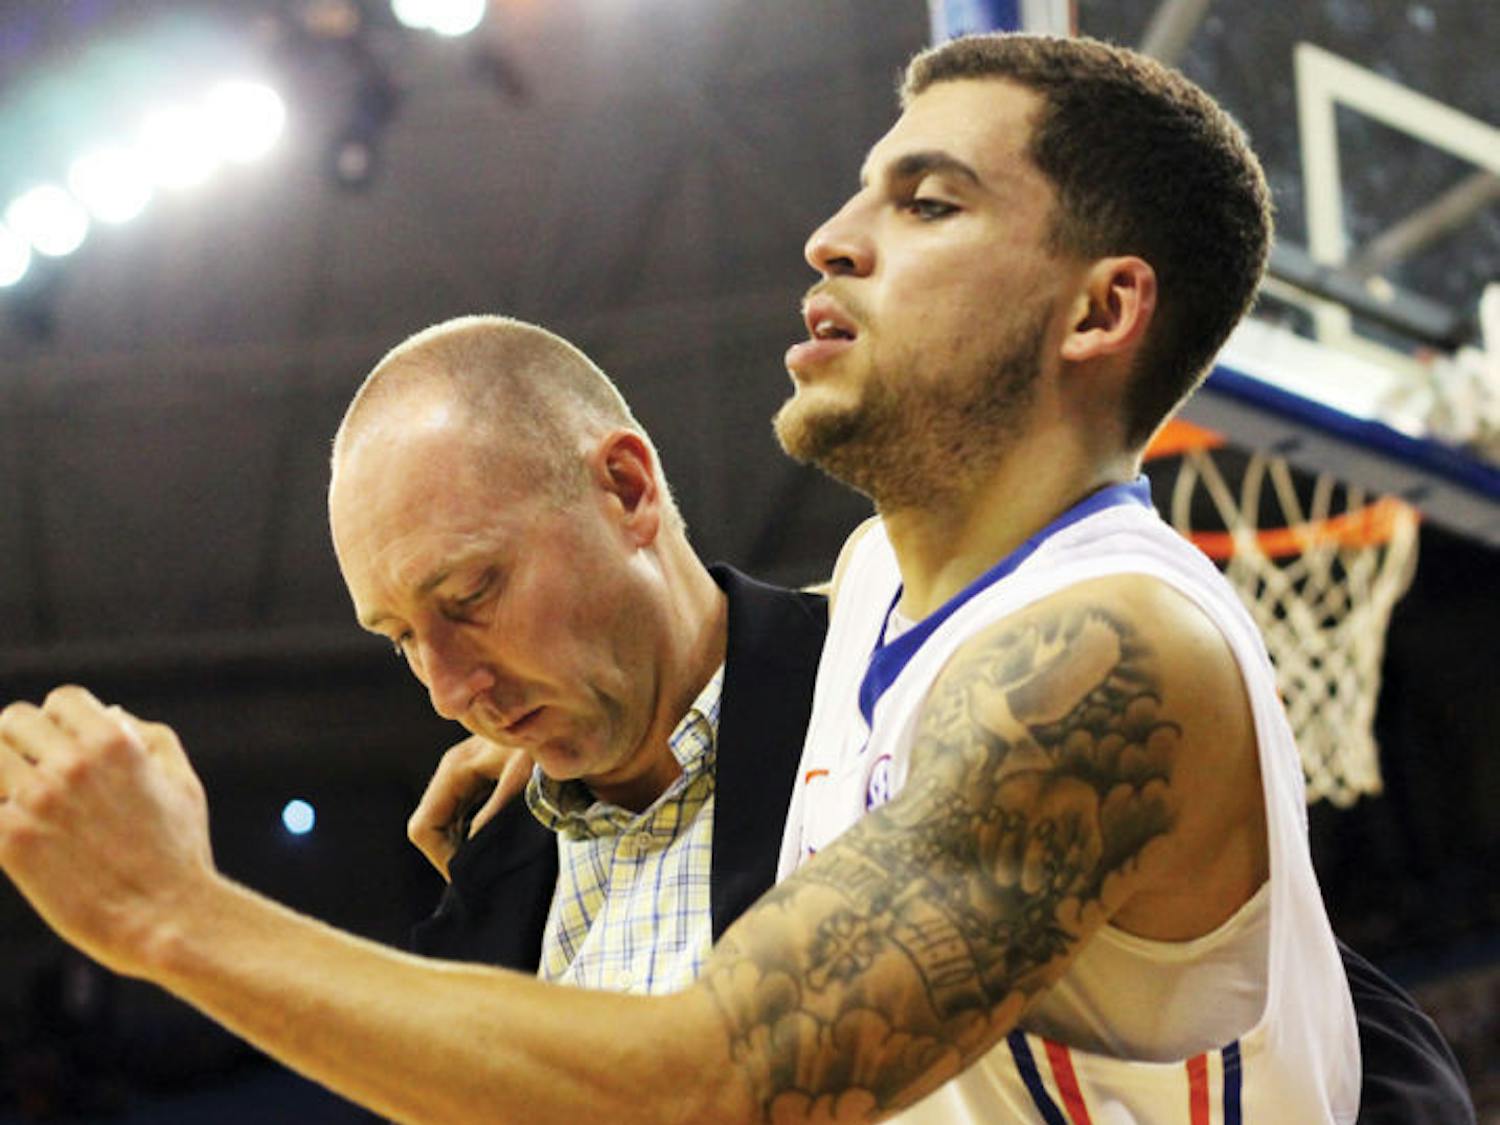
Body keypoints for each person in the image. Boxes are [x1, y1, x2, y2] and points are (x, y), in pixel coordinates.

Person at [0, 32, 1474, 1125]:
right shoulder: (882, 596)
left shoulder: (1112, 644)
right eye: (410, 632)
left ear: (1100, 308)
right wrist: (582, 737)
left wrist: (166, 911)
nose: (834, 236)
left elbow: (713, 1088)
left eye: (930, 202)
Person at [342, 316, 826, 984]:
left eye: (472, 593)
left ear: (627, 489)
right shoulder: (482, 892)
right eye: (403, 638)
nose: (448, 692)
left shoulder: (881, 687)